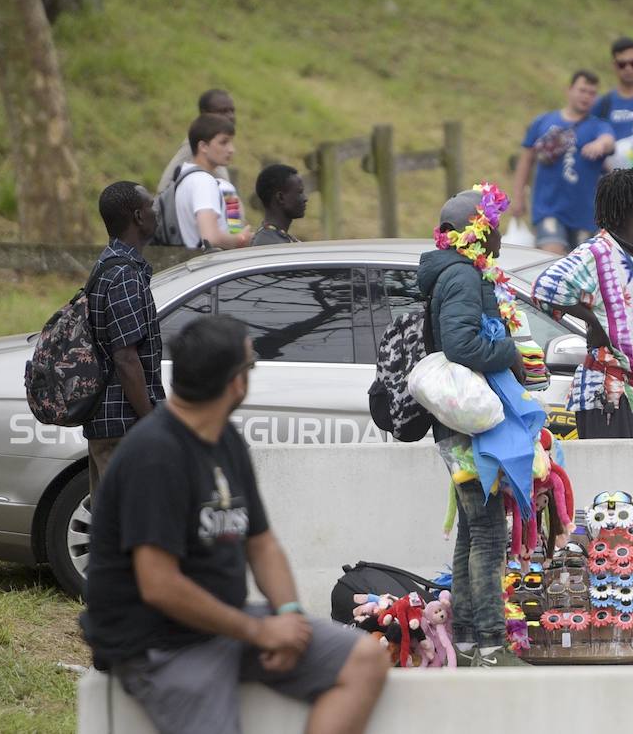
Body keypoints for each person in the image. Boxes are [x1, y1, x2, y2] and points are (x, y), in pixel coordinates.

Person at [80, 316, 390, 734]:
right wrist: (260, 631)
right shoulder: (154, 455)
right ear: (236, 384)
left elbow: (261, 544)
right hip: (159, 645)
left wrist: (289, 619)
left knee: (363, 660)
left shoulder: (224, 438)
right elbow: (159, 585)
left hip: (228, 625)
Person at [417, 188, 529, 667]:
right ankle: (490, 643)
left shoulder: (457, 273)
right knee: (487, 533)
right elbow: (462, 343)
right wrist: (510, 351)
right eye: (495, 222)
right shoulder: (462, 277)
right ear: (477, 230)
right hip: (469, 426)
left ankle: (465, 640)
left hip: (458, 425)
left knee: (474, 527)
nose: (502, 229)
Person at [530, 169, 633, 439]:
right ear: (632, 206)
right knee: (614, 482)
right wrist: (592, 320)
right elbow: (544, 288)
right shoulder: (597, 252)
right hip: (608, 397)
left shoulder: (632, 255)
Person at [83, 181, 164, 493]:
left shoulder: (109, 264)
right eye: (151, 207)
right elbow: (126, 358)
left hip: (112, 425)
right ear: (138, 217)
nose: (156, 213)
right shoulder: (124, 276)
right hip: (123, 426)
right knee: (131, 527)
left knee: (111, 528)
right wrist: (150, 420)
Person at [512, 71, 616, 255]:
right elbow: (526, 159)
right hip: (548, 209)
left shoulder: (598, 126)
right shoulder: (543, 121)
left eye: (592, 93)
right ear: (569, 90)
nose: (586, 97)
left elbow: (609, 140)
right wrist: (518, 196)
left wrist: (600, 144)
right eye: (582, 90)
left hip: (585, 216)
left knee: (580, 271)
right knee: (552, 259)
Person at [174, 113, 252, 250]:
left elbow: (234, 228)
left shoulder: (184, 177)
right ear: (203, 146)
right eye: (223, 142)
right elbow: (210, 238)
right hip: (212, 265)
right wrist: (242, 239)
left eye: (231, 142)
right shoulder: (203, 182)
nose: (231, 149)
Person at [157, 89, 236, 194]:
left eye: (232, 111)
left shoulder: (215, 146)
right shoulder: (195, 144)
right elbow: (164, 188)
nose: (231, 116)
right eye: (222, 111)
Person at [250, 164, 307, 246]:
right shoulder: (270, 245)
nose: (305, 198)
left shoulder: (276, 238)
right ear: (281, 197)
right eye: (299, 193)